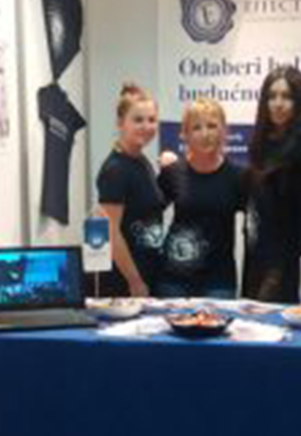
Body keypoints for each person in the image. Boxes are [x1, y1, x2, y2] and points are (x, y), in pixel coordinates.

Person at [241, 65, 301, 303]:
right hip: (256, 254)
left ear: (298, 102)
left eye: (286, 97)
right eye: (272, 96)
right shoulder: (258, 146)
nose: (278, 103)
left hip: (288, 261)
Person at [157, 98, 244, 298]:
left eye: (212, 126)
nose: (205, 134)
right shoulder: (172, 172)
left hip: (219, 281)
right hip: (173, 280)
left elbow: (260, 222)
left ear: (224, 131)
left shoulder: (238, 177)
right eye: (197, 128)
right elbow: (147, 214)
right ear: (185, 134)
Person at [96, 84, 166, 297]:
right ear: (120, 123)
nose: (146, 126)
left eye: (151, 120)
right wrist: (135, 282)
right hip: (125, 281)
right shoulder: (115, 169)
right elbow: (111, 233)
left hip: (149, 270)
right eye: (138, 120)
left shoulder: (141, 160)